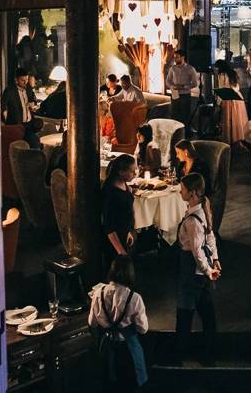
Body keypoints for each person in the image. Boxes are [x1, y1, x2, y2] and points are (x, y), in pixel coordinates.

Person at [175, 173, 220, 360]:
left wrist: (208, 271)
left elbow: (196, 251)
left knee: (184, 313)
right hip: (201, 272)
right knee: (207, 313)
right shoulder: (202, 209)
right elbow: (210, 236)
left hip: (192, 271)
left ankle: (180, 354)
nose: (180, 192)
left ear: (192, 193)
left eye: (183, 190)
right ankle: (210, 353)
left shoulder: (193, 220)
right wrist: (215, 259)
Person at [89, 255, 149, 387]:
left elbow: (92, 323)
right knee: (130, 383)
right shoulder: (135, 298)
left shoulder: (98, 293)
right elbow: (143, 329)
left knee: (109, 383)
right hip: (128, 348)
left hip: (107, 346)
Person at [101, 154, 137, 268]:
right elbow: (109, 227)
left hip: (125, 234)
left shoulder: (123, 183)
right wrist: (121, 252)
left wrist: (129, 231)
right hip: (114, 243)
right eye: (132, 171)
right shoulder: (110, 193)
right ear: (121, 172)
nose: (135, 174)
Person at [0, 68, 42, 148]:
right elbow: (2, 107)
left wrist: (32, 105)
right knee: (34, 142)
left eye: (26, 79)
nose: (25, 82)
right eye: (22, 80)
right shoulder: (9, 91)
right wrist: (6, 119)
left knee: (36, 140)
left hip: (29, 124)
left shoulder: (28, 89)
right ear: (16, 80)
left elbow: (33, 100)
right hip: (17, 125)